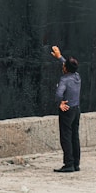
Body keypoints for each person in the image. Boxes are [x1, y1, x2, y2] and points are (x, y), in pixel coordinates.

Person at [51, 45, 81, 173]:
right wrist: (60, 57)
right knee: (75, 136)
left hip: (67, 111)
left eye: (64, 66)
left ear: (65, 69)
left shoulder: (64, 79)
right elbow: (68, 66)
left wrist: (60, 103)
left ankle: (68, 164)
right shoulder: (77, 76)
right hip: (76, 109)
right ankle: (76, 163)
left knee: (66, 137)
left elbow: (58, 94)